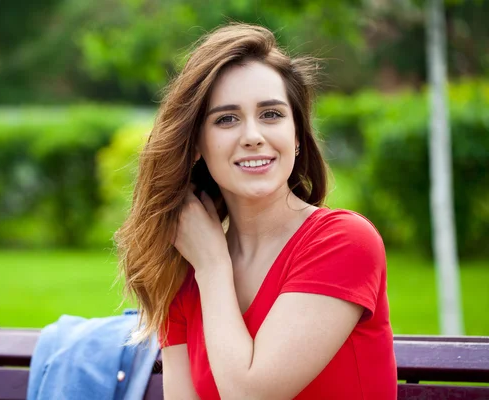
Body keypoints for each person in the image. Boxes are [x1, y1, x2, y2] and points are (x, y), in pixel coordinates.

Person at [116, 23, 397, 399]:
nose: (253, 135)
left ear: (297, 136)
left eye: (271, 114)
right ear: (196, 144)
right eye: (226, 119)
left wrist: (214, 267)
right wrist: (204, 264)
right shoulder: (184, 270)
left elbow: (251, 394)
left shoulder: (344, 242)